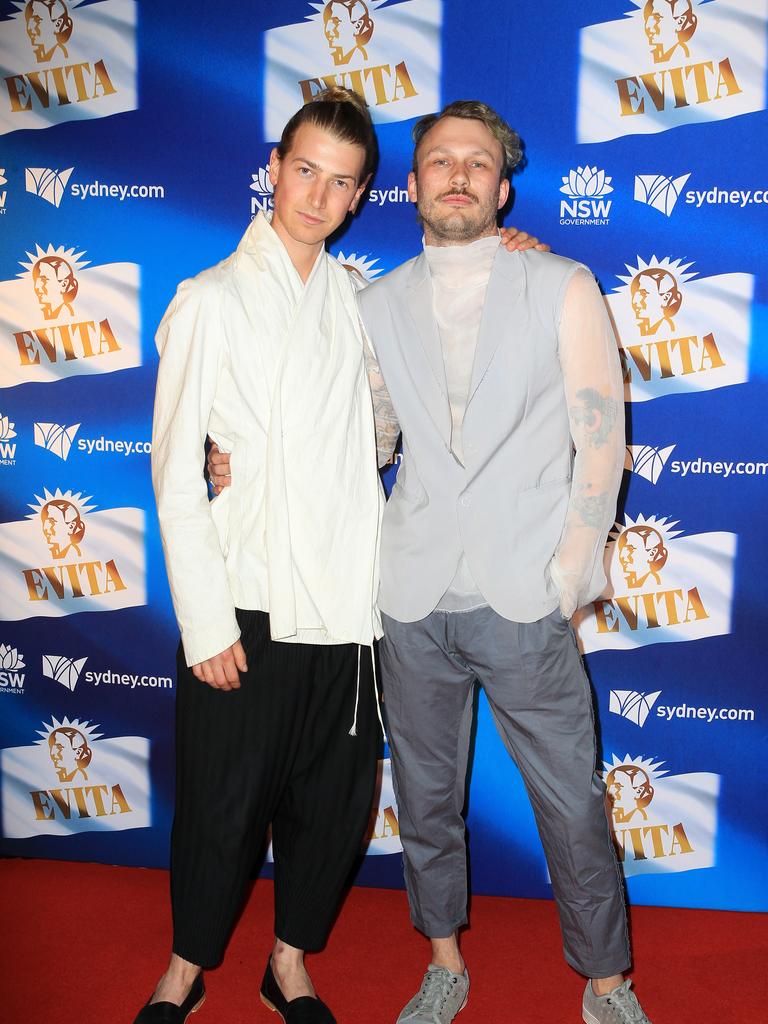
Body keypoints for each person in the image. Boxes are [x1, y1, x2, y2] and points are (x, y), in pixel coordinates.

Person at [209, 99, 651, 1024]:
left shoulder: (563, 284)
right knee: (425, 798)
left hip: (525, 595)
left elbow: (600, 442)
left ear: (502, 184)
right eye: (439, 160)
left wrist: (569, 577)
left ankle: (608, 981)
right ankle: (443, 960)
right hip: (406, 596)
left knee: (571, 804)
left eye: (477, 162)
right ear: (409, 186)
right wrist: (241, 457)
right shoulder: (375, 303)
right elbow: (365, 437)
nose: (457, 174)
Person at [141, 87, 542, 1024]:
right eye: (306, 171)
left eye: (343, 182)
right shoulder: (207, 300)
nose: (318, 195)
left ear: (363, 197)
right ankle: (180, 969)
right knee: (220, 805)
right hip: (244, 603)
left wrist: (506, 256)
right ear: (276, 169)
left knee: (330, 809)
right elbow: (173, 475)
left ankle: (288, 963)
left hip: (352, 606)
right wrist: (203, 620)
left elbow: (384, 437)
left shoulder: (360, 304)